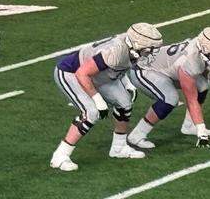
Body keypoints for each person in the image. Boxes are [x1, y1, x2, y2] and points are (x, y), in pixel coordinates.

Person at [49, 23, 163, 172]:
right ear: (137, 44)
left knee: (124, 103)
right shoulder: (116, 51)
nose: (151, 54)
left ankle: (119, 147)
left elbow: (118, 66)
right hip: (72, 72)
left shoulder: (130, 48)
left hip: (99, 75)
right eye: (149, 50)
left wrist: (127, 83)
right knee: (92, 112)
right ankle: (60, 155)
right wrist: (97, 99)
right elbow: (82, 73)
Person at [126, 27, 210, 149]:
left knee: (202, 85)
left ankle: (189, 125)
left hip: (169, 70)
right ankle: (137, 135)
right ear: (205, 49)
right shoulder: (189, 61)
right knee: (170, 98)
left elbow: (200, 67)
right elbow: (191, 99)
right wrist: (202, 133)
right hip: (145, 70)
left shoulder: (199, 47)